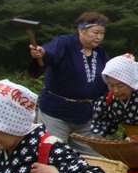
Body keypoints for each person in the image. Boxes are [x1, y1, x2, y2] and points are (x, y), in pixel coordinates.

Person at [27, 12, 110, 156]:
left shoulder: (101, 53)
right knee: (52, 155)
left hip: (86, 116)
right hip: (56, 114)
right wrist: (41, 53)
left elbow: (108, 79)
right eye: (95, 32)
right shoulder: (64, 43)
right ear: (81, 30)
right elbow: (50, 52)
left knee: (94, 157)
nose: (99, 37)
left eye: (102, 33)